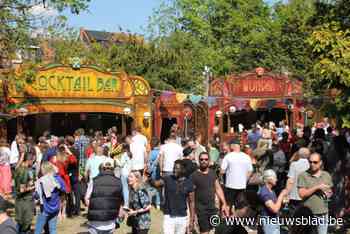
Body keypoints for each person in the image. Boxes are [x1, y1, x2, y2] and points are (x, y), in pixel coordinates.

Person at [152, 160, 194, 234]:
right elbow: (156, 184)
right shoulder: (167, 179)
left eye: (177, 168)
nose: (174, 170)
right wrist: (149, 177)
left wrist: (192, 219)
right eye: (174, 168)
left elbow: (192, 202)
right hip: (168, 216)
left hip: (182, 217)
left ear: (183, 169)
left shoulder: (189, 183)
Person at [192, 152, 229, 234]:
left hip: (212, 208)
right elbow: (191, 196)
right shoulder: (194, 175)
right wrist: (193, 213)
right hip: (201, 209)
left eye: (206, 159)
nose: (204, 161)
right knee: (205, 231)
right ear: (199, 160)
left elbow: (218, 188)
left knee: (220, 229)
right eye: (201, 159)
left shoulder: (212, 173)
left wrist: (224, 204)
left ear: (209, 160)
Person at [298, 152, 333, 234]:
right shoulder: (303, 175)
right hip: (309, 214)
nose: (312, 164)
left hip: (323, 213)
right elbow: (301, 194)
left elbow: (330, 191)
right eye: (310, 162)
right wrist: (317, 187)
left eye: (315, 162)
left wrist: (330, 194)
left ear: (320, 162)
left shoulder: (326, 175)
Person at [85, 161, 123, 234]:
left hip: (95, 223)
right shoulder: (118, 181)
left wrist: (93, 208)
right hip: (111, 223)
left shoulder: (94, 180)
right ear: (113, 169)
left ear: (100, 169)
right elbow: (120, 201)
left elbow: (86, 199)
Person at [220, 140, 253, 214]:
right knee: (240, 206)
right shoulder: (246, 157)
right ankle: (237, 222)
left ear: (233, 146)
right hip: (241, 186)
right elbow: (250, 171)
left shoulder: (228, 156)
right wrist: (244, 180)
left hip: (230, 185)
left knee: (228, 204)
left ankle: (226, 221)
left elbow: (222, 171)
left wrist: (223, 180)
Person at [34, 162, 66, 234]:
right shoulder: (58, 179)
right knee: (53, 230)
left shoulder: (42, 180)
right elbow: (64, 189)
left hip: (45, 209)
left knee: (38, 231)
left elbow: (36, 196)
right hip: (55, 208)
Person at [258, 169, 289, 234]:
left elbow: (276, 206)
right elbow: (274, 209)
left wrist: (282, 202)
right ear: (269, 179)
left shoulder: (272, 191)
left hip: (274, 221)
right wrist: (281, 195)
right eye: (275, 178)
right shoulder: (264, 192)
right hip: (268, 222)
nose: (276, 180)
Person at [14, 152, 35, 234]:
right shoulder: (24, 172)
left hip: (22, 200)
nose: (33, 162)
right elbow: (22, 189)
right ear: (29, 160)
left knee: (21, 222)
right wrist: (34, 187)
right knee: (24, 223)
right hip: (25, 200)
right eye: (32, 160)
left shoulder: (20, 169)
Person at [286, 147, 310, 212]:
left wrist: (286, 195)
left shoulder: (294, 164)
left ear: (299, 154)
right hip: (307, 195)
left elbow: (290, 180)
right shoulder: (311, 165)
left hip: (294, 195)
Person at [115, 143, 132, 208]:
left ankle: (126, 204)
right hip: (129, 173)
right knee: (128, 189)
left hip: (124, 173)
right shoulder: (130, 154)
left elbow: (121, 164)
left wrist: (116, 160)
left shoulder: (124, 154)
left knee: (125, 189)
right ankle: (128, 203)